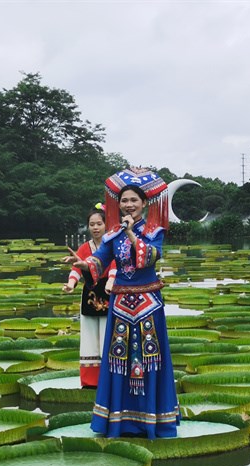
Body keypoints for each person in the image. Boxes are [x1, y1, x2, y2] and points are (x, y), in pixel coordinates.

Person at [66, 168, 180, 438]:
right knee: (118, 361)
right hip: (120, 305)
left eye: (134, 201)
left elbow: (149, 258)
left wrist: (130, 234)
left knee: (149, 360)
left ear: (144, 204)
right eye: (125, 200)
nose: (129, 205)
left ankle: (152, 421)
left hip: (148, 305)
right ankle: (119, 421)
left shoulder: (155, 231)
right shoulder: (112, 233)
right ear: (118, 204)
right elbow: (100, 260)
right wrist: (84, 264)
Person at [63, 204, 116, 388]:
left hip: (108, 293)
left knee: (107, 335)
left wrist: (111, 282)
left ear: (106, 225)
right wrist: (70, 284)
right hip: (90, 294)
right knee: (88, 336)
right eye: (92, 224)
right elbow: (77, 267)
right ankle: (90, 381)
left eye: (99, 224)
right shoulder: (85, 247)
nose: (95, 228)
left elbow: (115, 266)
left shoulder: (112, 245)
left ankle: (109, 379)